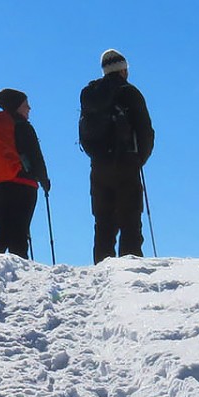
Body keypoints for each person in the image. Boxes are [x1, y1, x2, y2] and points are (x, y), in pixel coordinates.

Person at [78, 48, 155, 263]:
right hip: (126, 162)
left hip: (98, 165)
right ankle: (128, 271)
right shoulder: (129, 92)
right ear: (123, 70)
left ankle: (102, 269)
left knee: (103, 221)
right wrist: (139, 159)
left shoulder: (90, 95)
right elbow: (145, 131)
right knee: (130, 219)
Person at [0, 88, 51, 258]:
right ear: (17, 106)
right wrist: (44, 180)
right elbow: (35, 154)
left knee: (1, 237)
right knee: (19, 236)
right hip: (24, 185)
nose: (29, 109)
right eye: (26, 105)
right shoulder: (23, 126)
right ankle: (22, 279)